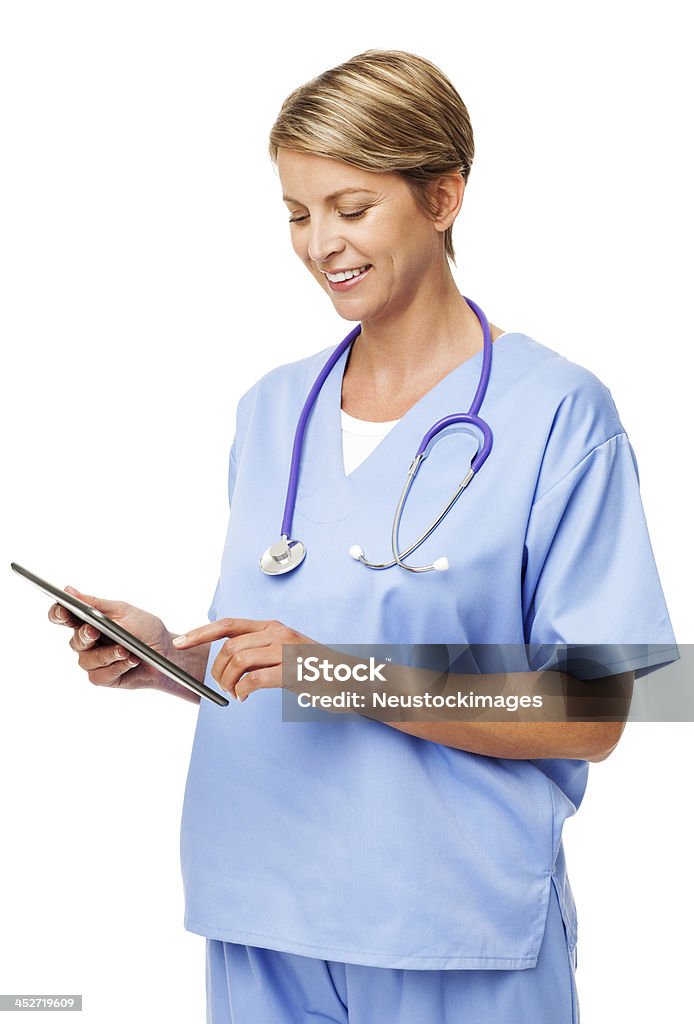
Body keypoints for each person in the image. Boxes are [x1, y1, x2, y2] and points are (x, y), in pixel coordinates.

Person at [49, 49, 679, 1023]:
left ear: (442, 198)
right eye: (297, 213)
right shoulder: (271, 409)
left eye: (350, 207)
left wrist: (336, 675)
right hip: (259, 906)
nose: (319, 244)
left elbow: (595, 716)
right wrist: (170, 659)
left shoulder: (558, 411)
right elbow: (281, 660)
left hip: (448, 925)